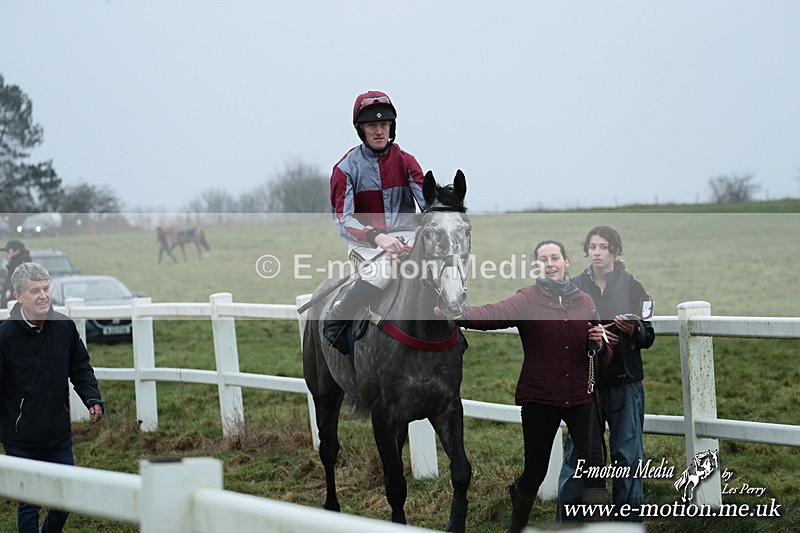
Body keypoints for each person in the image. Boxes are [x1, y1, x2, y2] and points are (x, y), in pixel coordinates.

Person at [457, 240, 611, 532]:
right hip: (539, 399)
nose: (550, 263)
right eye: (543, 259)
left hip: (582, 397)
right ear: (536, 266)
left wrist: (599, 346)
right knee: (535, 472)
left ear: (566, 262)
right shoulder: (527, 299)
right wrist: (457, 314)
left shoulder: (586, 301)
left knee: (595, 469)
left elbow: (602, 354)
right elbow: (492, 314)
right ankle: (517, 526)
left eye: (555, 257)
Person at [556, 226, 655, 523]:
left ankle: (628, 525)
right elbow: (560, 332)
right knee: (577, 456)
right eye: (593, 247)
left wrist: (635, 329)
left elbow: (649, 334)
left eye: (603, 247)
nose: (597, 252)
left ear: (615, 251)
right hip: (584, 386)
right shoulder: (571, 288)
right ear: (586, 251)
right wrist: (587, 334)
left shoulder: (634, 288)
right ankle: (570, 524)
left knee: (627, 456)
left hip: (625, 384)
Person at [0, 262, 105, 533]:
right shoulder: (5, 335)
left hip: (58, 432)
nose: (43, 295)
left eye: (46, 288)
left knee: (64, 497)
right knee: (30, 503)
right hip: (20, 436)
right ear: (18, 296)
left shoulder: (64, 327)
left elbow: (80, 367)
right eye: (35, 290)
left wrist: (92, 398)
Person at [323, 90, 426, 353]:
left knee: (436, 270)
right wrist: (376, 237)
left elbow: (426, 203)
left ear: (391, 126)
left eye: (384, 124)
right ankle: (338, 315)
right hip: (366, 244)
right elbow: (343, 220)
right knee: (383, 273)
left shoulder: (407, 161)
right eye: (372, 125)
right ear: (361, 129)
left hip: (406, 237)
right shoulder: (345, 168)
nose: (379, 131)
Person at [1, 239, 32, 308]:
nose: (6, 255)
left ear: (17, 251)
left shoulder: (23, 270)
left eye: (8, 251)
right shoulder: (13, 268)